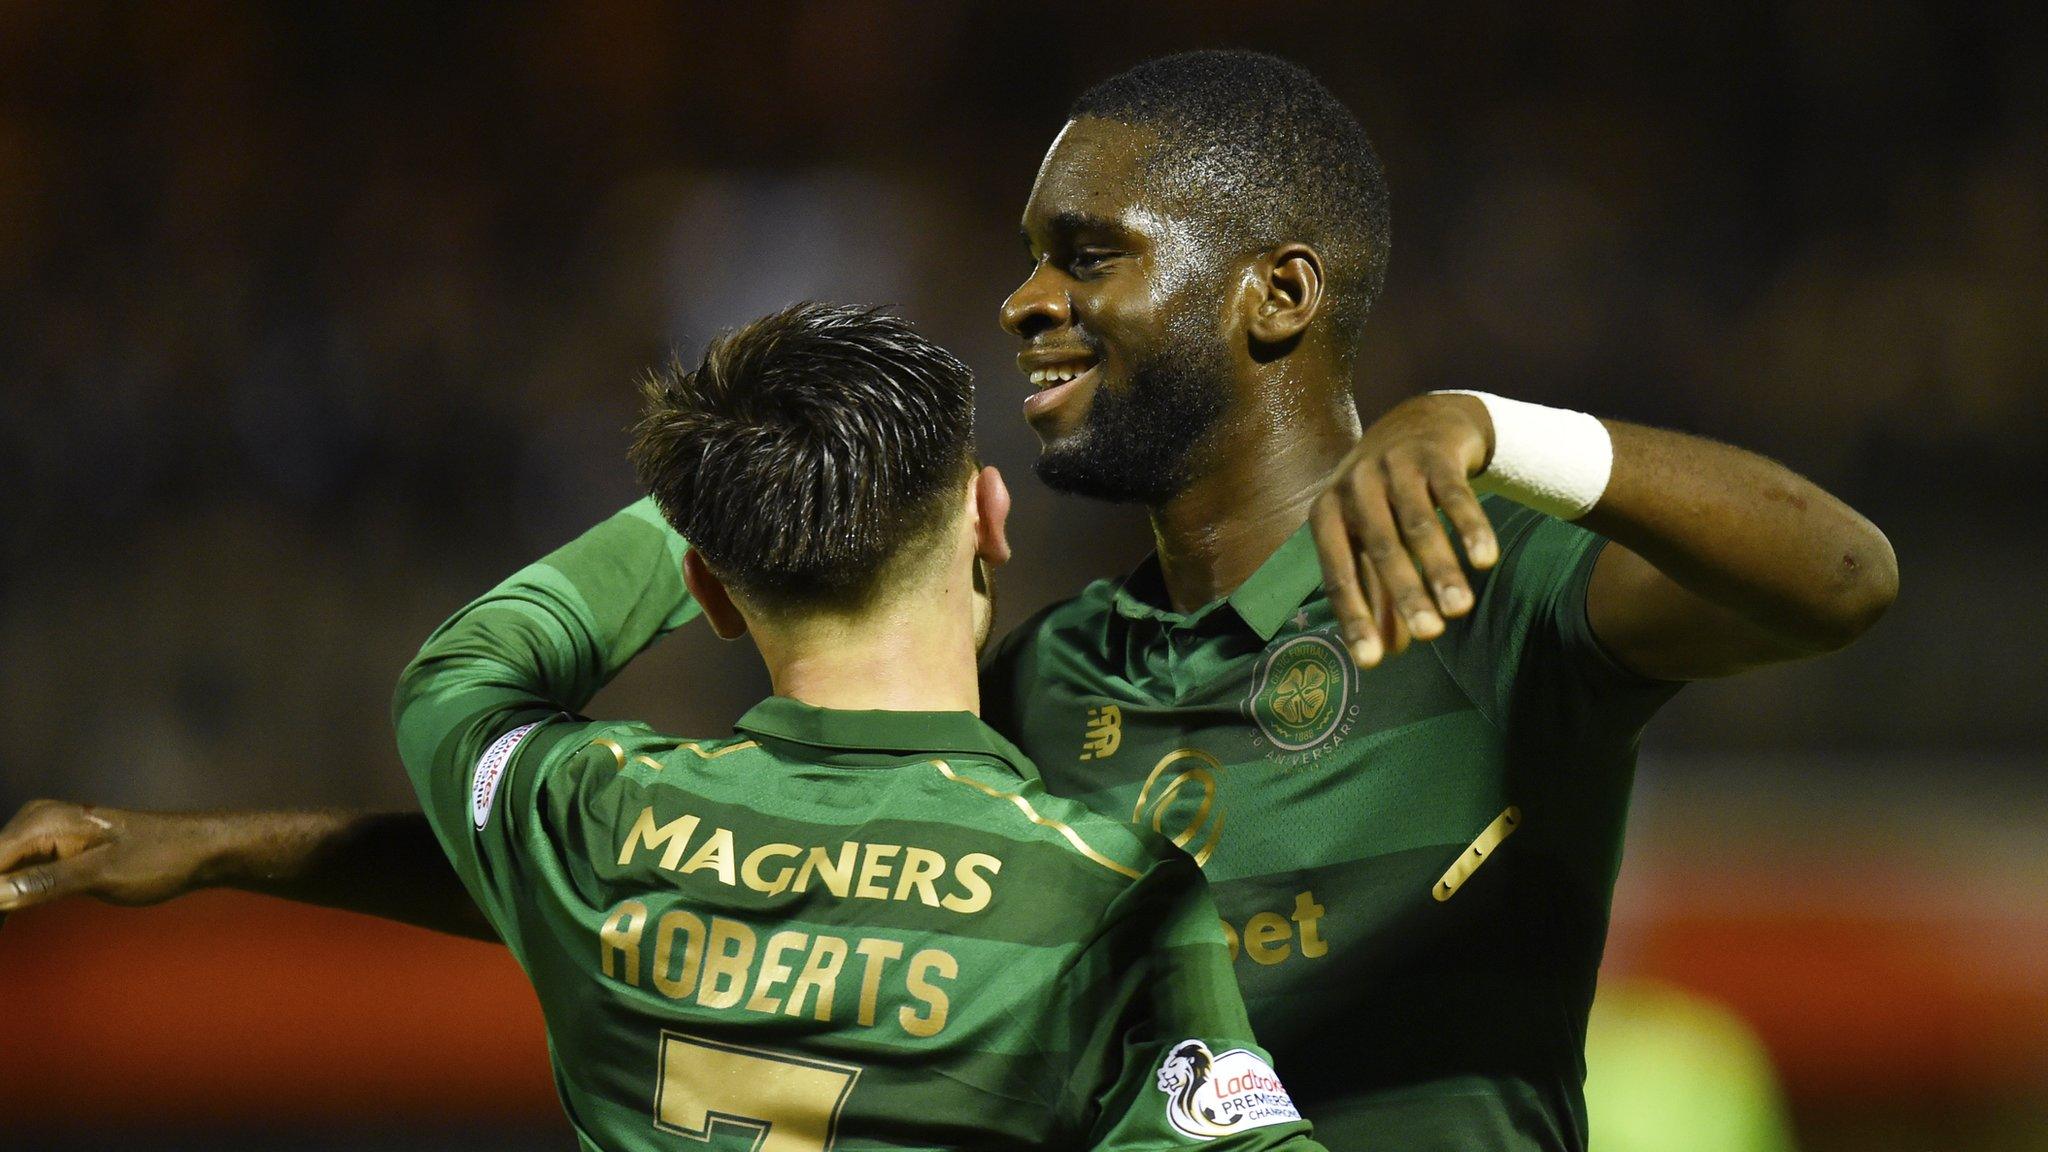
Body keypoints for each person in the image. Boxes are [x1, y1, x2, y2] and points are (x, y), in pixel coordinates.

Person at [1, 51, 1897, 1152]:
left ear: (1278, 295)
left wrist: (1512, 432)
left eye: (1086, 257)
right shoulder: (1057, 662)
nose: (1023, 304)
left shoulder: (1483, 585)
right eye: (1025, 260)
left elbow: (1841, 575)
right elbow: (683, 870)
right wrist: (225, 850)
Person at [10, 302, 1327, 1152]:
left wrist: (732, 497)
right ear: (990, 516)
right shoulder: (1104, 898)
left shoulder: (593, 816)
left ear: (701, 587)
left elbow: (466, 676)